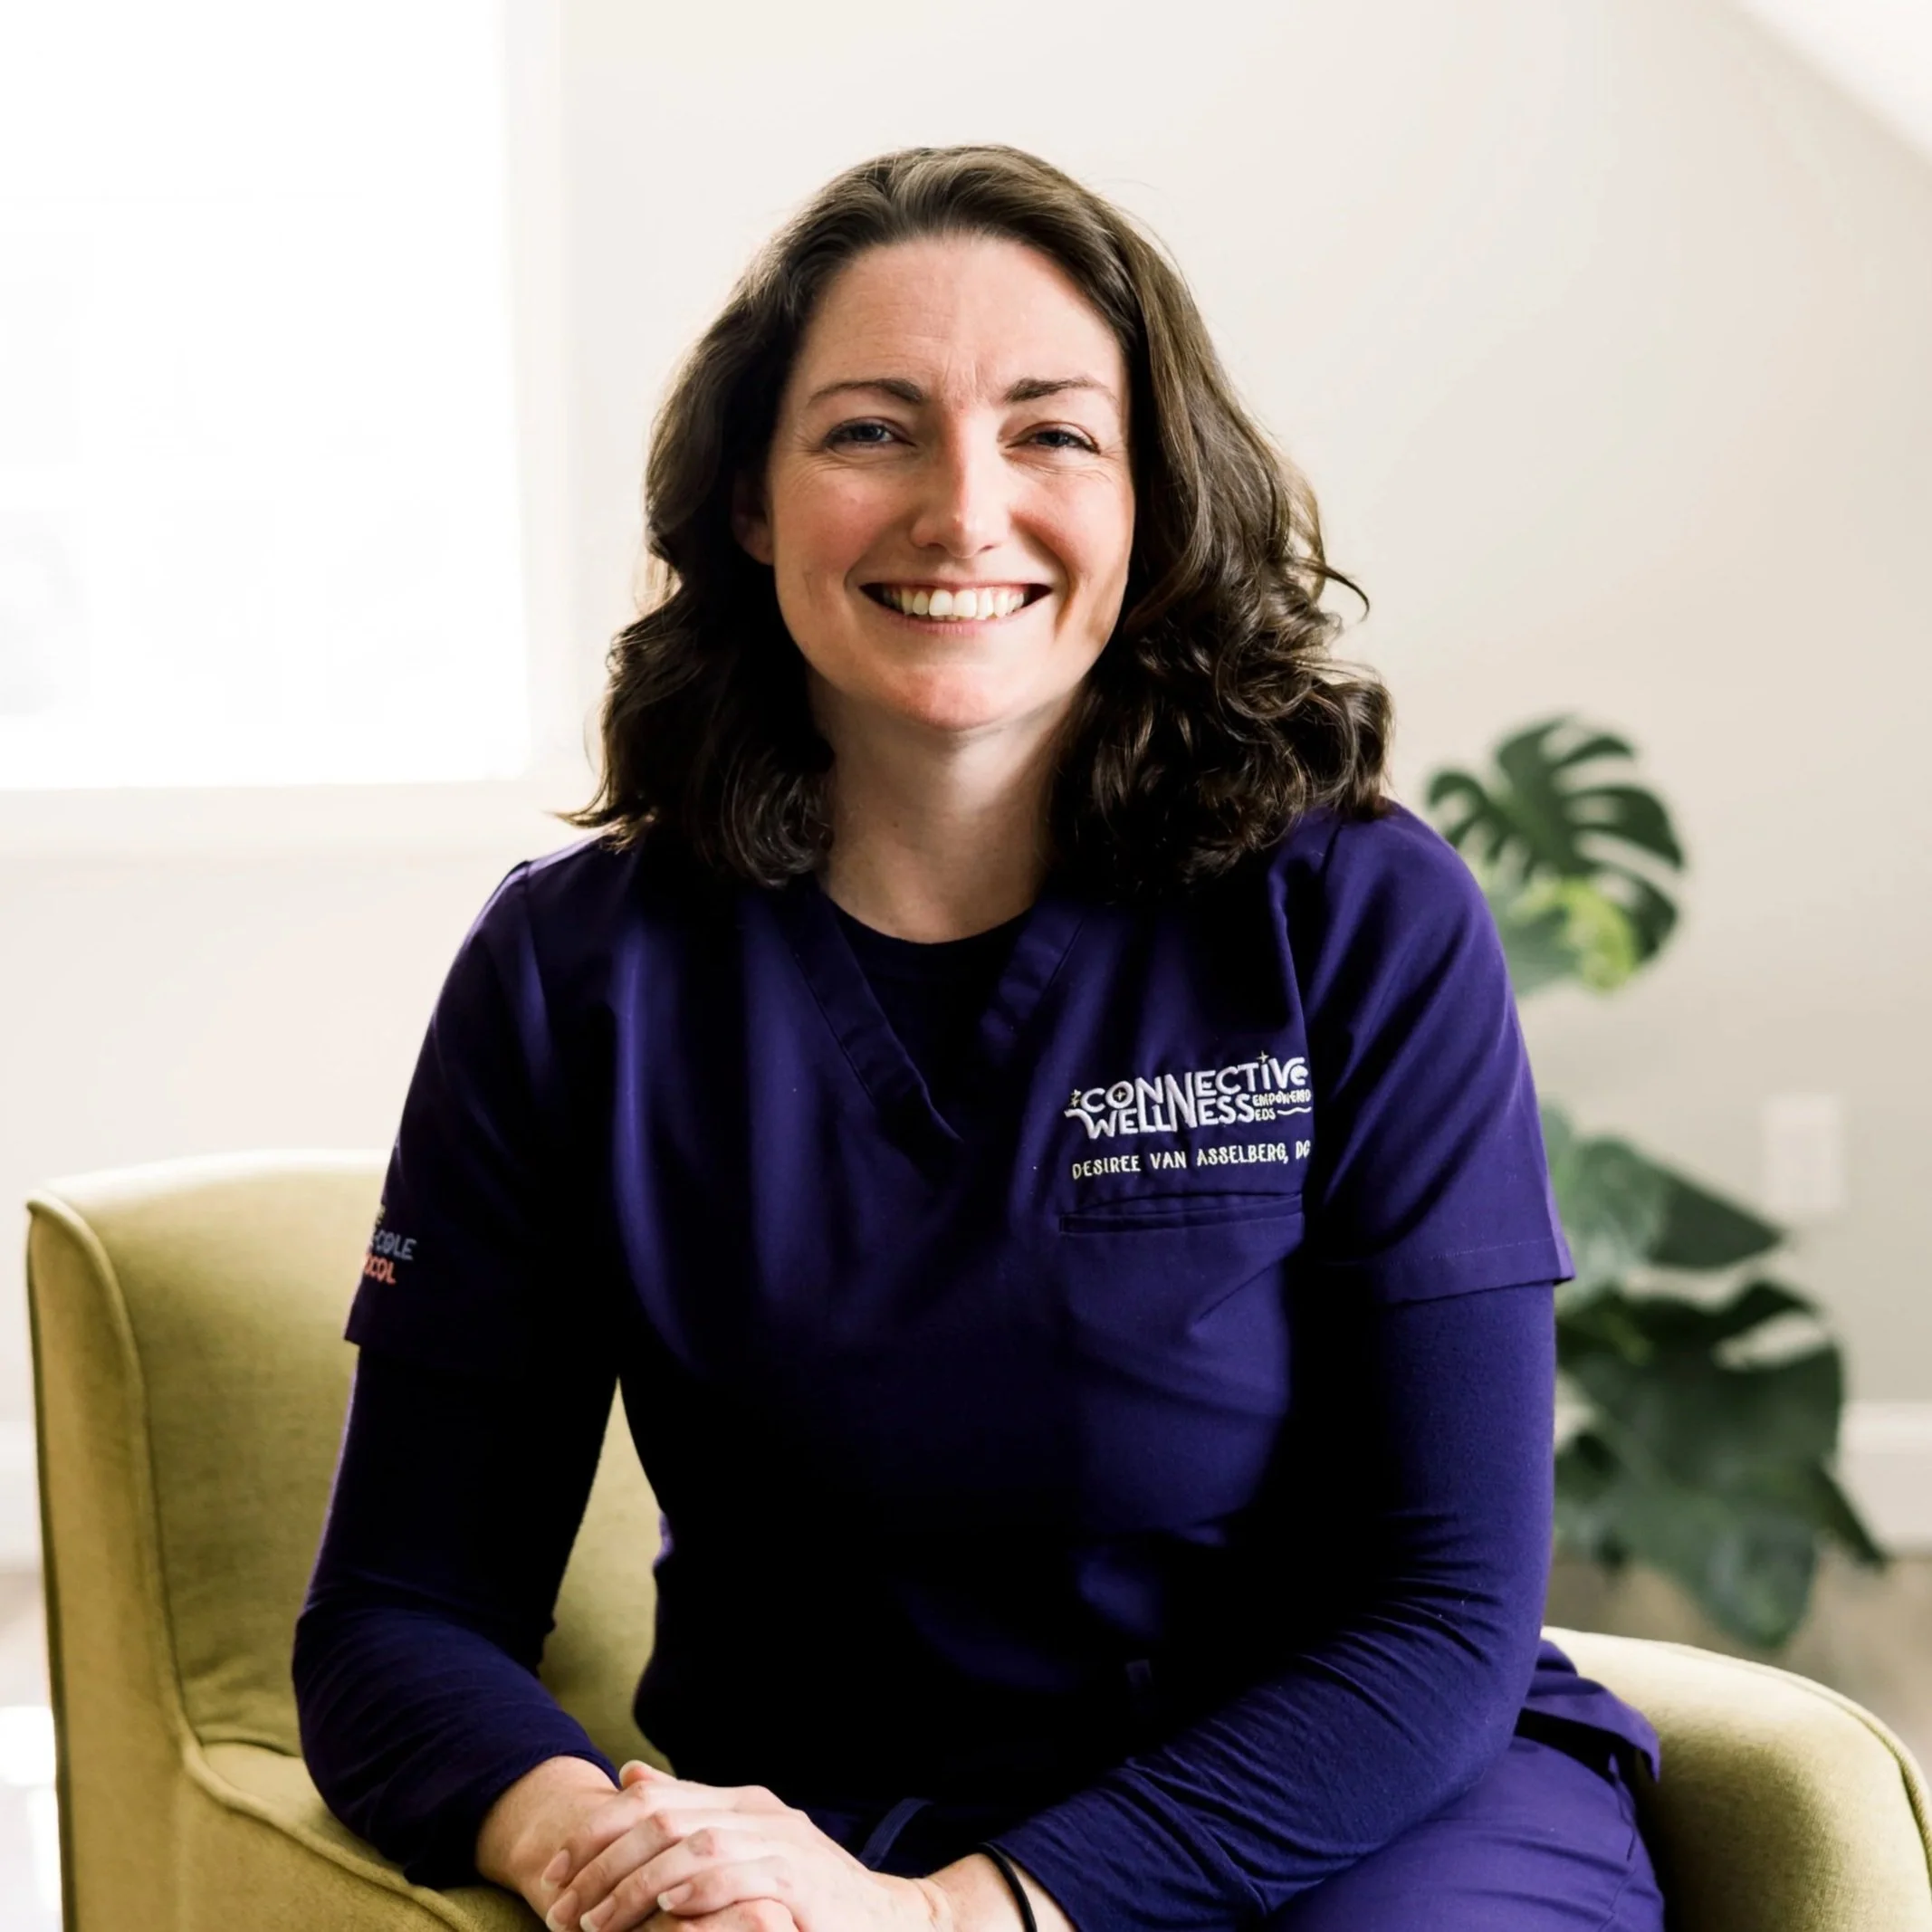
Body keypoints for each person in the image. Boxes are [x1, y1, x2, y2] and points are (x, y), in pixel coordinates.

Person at [294, 144, 1667, 1932]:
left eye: (1049, 432)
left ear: (1150, 499)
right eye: (870, 429)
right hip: (822, 1815)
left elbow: (1439, 1608)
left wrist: (969, 1913)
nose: (961, 508)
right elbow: (398, 1607)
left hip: (1357, 1811)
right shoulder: (574, 973)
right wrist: (621, 1847)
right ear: (745, 502)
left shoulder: (1354, 915)